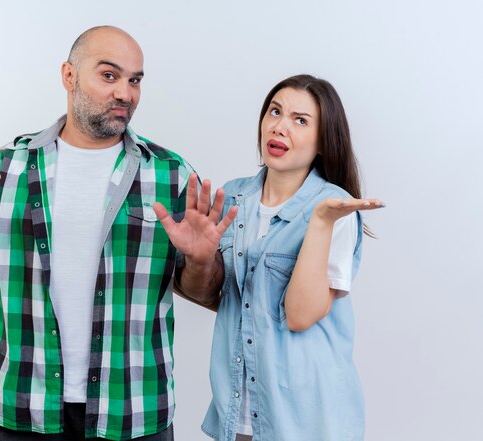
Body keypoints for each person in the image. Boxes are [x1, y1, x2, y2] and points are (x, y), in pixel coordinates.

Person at [0, 26, 192, 441]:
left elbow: (206, 290)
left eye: (135, 80)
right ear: (68, 76)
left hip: (134, 409)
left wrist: (205, 261)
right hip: (25, 406)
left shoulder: (171, 175)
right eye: (110, 75)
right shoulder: (4, 169)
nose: (126, 93)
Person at [153, 74, 384, 441]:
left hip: (309, 420)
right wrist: (199, 258)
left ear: (324, 140)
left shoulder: (336, 208)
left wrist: (321, 222)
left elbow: (299, 315)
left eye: (300, 120)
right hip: (237, 413)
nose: (279, 127)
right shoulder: (232, 198)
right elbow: (218, 296)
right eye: (275, 111)